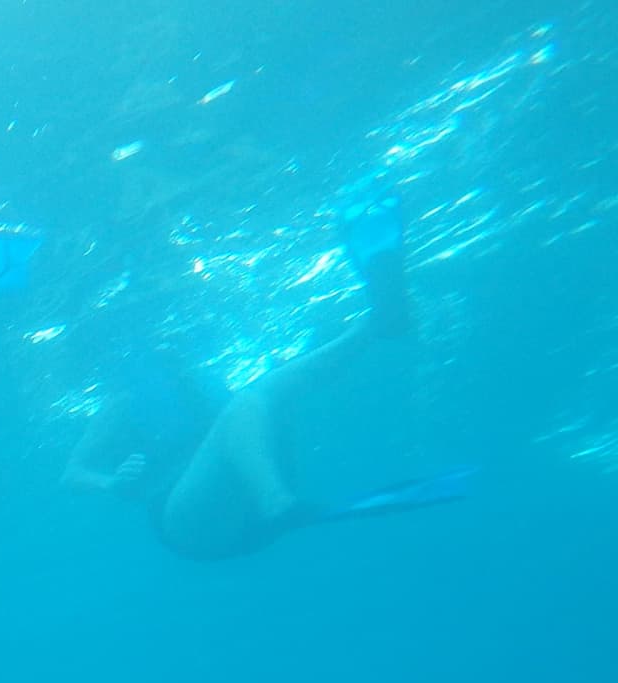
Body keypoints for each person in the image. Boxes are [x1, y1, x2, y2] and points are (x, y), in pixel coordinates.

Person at [64, 184, 469, 560]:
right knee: (249, 401)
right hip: (192, 524)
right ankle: (276, 501)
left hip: (244, 508)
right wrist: (111, 484)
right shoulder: (121, 403)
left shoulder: (202, 377)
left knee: (272, 389)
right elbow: (71, 474)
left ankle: (378, 323)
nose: (171, 348)